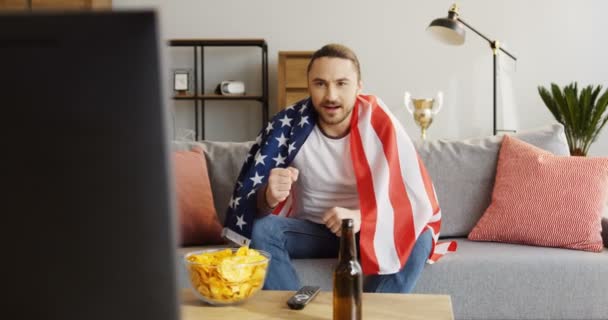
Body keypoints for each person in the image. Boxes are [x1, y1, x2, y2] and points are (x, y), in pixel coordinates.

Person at [225, 43, 453, 293]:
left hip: (368, 230)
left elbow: (411, 202)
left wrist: (361, 217)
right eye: (320, 83)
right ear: (309, 85)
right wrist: (268, 196)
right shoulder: (288, 127)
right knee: (262, 230)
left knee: (419, 236)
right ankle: (295, 313)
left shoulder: (381, 124)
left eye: (342, 83)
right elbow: (254, 207)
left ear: (359, 86)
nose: (331, 95)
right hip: (312, 233)